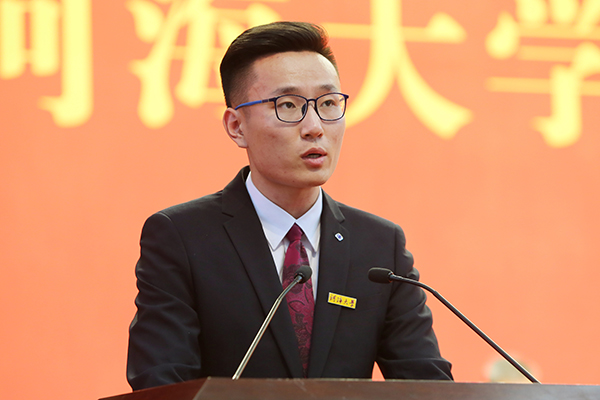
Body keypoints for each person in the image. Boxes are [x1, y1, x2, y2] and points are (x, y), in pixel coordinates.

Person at [127, 21, 452, 390]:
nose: (314, 127)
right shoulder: (183, 238)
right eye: (288, 105)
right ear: (236, 126)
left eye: (328, 103)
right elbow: (160, 386)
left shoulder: (379, 247)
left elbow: (429, 387)